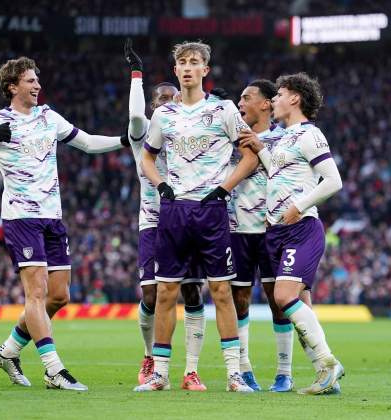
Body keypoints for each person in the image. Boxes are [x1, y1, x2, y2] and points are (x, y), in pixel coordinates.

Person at [0, 56, 127, 391]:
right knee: (35, 293)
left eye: (38, 80)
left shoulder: (48, 116)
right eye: (31, 81)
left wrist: (126, 140)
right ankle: (53, 370)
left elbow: (88, 142)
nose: (38, 86)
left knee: (59, 296)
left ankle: (8, 351)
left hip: (53, 215)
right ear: (12, 86)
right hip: (22, 217)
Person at [135, 41, 258, 392]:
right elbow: (147, 157)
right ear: (175, 70)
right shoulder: (163, 115)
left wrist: (224, 189)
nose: (188, 68)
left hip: (212, 212)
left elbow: (250, 156)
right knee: (166, 292)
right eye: (182, 63)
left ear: (206, 70)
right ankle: (160, 374)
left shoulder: (223, 111)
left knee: (221, 291)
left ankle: (234, 375)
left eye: (195, 62)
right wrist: (160, 185)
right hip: (174, 211)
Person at [239, 72, 345, 395]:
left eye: (280, 94)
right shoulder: (285, 137)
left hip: (301, 228)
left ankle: (329, 363)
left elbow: (333, 180)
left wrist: (300, 204)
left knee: (284, 298)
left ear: (295, 98)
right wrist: (260, 148)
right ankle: (323, 376)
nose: (275, 100)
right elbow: (278, 173)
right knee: (301, 307)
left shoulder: (310, 135)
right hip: (279, 231)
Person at [124, 39, 208, 391]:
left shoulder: (184, 126)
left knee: (192, 294)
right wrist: (136, 76)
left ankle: (190, 370)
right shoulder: (142, 132)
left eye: (170, 97)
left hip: (187, 218)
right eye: (159, 98)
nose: (166, 102)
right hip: (153, 222)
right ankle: (150, 357)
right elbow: (134, 115)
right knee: (151, 296)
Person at [228, 79, 291, 391]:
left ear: (266, 104)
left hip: (272, 228)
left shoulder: (282, 138)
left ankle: (284, 372)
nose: (240, 103)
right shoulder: (230, 139)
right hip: (237, 228)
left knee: (276, 300)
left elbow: (281, 172)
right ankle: (243, 368)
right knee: (238, 299)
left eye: (246, 97)